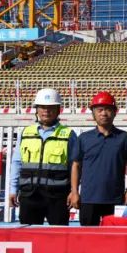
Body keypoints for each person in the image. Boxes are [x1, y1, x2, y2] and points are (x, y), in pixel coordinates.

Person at [9, 88, 79, 226]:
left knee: (59, 235)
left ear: (58, 110)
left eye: (51, 107)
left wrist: (74, 191)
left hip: (58, 197)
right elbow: (17, 163)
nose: (46, 111)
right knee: (29, 235)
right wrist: (13, 190)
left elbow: (75, 166)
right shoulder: (26, 133)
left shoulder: (68, 135)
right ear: (36, 110)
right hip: (29, 195)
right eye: (42, 107)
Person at [72, 92, 127, 227]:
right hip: (89, 199)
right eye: (100, 110)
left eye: (108, 109)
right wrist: (74, 191)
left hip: (115, 199)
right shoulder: (84, 138)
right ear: (93, 113)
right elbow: (76, 165)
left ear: (115, 112)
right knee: (87, 237)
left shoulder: (124, 138)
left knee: (112, 238)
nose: (104, 113)